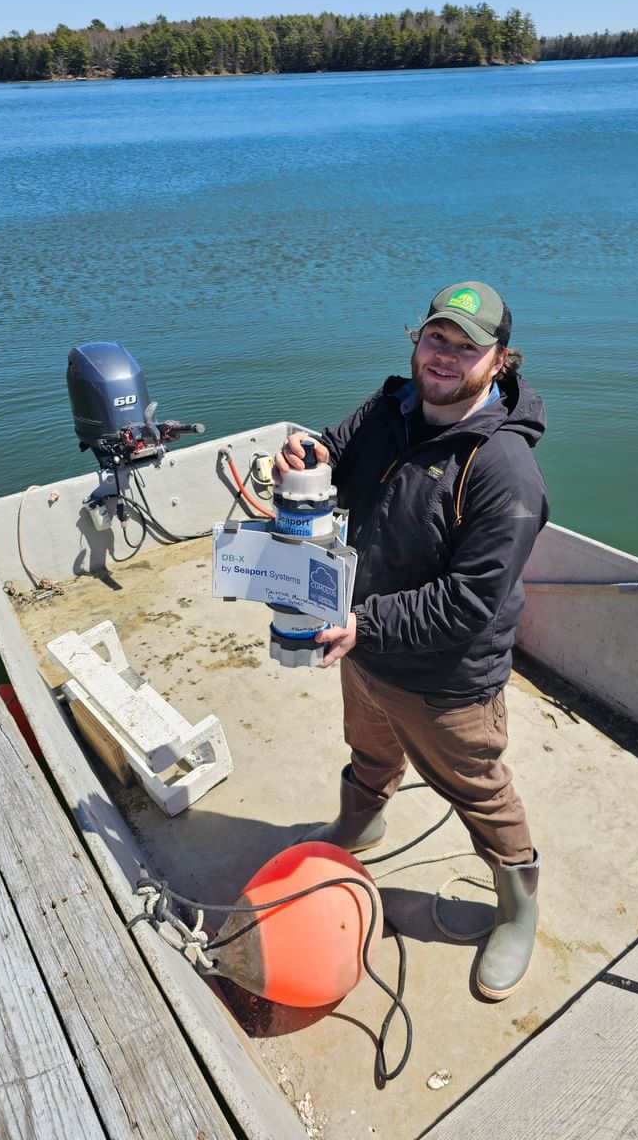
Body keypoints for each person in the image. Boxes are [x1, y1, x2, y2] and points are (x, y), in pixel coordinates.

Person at [273, 281, 550, 1000]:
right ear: (416, 341)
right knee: (368, 746)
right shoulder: (390, 407)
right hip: (360, 647)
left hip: (445, 677)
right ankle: (360, 823)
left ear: (500, 360)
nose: (446, 357)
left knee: (480, 792)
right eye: (436, 338)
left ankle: (518, 909)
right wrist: (302, 456)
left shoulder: (502, 471)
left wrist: (365, 625)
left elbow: (468, 603)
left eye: (467, 347)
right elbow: (332, 451)